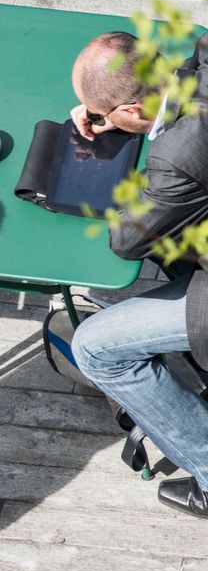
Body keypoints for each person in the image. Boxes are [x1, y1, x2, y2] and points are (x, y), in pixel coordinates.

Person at [67, 31, 208, 516]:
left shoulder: (177, 157)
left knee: (96, 349)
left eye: (101, 114)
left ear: (129, 111)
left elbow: (127, 242)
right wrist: (111, 114)